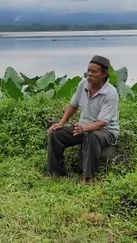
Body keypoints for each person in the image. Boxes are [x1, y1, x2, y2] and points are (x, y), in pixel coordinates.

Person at [46, 55, 120, 185]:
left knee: (92, 136)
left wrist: (83, 129)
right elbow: (72, 106)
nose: (89, 74)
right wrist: (61, 123)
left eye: (93, 71)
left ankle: (87, 178)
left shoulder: (111, 93)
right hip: (83, 127)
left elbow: (102, 123)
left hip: (106, 131)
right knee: (56, 134)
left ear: (103, 74)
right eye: (88, 70)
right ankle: (56, 173)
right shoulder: (83, 84)